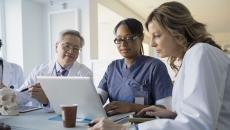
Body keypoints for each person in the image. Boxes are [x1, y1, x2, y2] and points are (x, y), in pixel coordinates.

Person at [88, 1, 230, 130]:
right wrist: (172, 114)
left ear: (177, 31)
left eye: (157, 35)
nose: (152, 43)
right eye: (118, 40)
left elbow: (197, 124)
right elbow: (194, 113)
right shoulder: (191, 58)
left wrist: (123, 129)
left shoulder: (200, 53)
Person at [97, 18, 173, 116]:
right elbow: (99, 98)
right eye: (119, 39)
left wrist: (131, 107)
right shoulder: (113, 67)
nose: (123, 44)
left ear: (141, 38)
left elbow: (166, 109)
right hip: (112, 123)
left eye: (129, 38)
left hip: (142, 125)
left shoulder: (155, 67)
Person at [19, 30, 93, 109]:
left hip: (71, 120)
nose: (71, 51)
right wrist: (6, 92)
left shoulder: (85, 74)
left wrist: (47, 101)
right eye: (67, 46)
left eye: (75, 48)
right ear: (56, 47)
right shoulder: (39, 70)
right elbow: (21, 96)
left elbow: (83, 106)